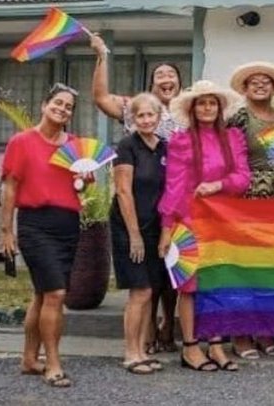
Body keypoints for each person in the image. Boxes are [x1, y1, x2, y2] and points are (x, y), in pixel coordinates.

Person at [89, 33, 183, 353]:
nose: (166, 78)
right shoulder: (135, 111)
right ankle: (143, 342)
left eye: (172, 75)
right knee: (144, 286)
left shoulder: (186, 114)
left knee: (168, 276)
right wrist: (102, 55)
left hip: (170, 210)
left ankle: (168, 327)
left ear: (179, 85)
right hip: (135, 209)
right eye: (160, 75)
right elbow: (101, 97)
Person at [157, 80, 251, 373]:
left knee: (217, 283)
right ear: (193, 108)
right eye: (202, 103)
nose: (208, 107)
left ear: (220, 108)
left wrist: (218, 184)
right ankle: (190, 346)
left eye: (212, 103)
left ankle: (216, 345)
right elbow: (173, 186)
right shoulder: (181, 140)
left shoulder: (233, 137)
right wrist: (166, 227)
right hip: (188, 221)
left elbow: (243, 177)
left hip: (222, 222)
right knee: (190, 285)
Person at [0, 83, 84, 388]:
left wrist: (84, 181)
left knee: (42, 294)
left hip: (68, 224)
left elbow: (81, 188)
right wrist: (7, 230)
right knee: (56, 295)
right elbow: (9, 187)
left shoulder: (74, 145)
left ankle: (29, 359)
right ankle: (53, 363)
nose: (62, 109)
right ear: (44, 105)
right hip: (35, 224)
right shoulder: (22, 141)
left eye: (68, 107)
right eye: (57, 103)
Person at [225, 61, 274, 359]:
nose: (261, 85)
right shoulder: (238, 118)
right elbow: (228, 158)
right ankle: (240, 334)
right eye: (255, 81)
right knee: (244, 268)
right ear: (246, 87)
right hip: (246, 200)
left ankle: (265, 330)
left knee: (270, 269)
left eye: (266, 81)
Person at [110, 92, 169, 375]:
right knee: (140, 290)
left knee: (149, 291)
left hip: (155, 229)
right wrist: (134, 234)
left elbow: (170, 192)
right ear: (133, 119)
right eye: (140, 115)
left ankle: (143, 350)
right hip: (129, 227)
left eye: (151, 114)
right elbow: (123, 191)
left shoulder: (164, 147)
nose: (146, 120)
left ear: (159, 117)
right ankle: (130, 353)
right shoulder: (126, 145)